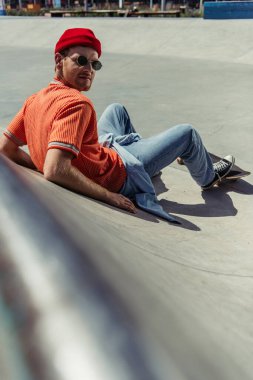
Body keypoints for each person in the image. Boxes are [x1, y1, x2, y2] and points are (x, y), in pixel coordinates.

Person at [0, 28, 234, 224]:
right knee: (188, 133)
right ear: (59, 61)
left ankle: (154, 157)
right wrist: (109, 196)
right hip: (121, 174)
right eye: (80, 60)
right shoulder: (77, 104)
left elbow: (5, 148)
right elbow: (55, 169)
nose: (89, 70)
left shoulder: (34, 100)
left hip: (102, 153)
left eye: (94, 64)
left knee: (116, 109)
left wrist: (39, 161)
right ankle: (207, 176)